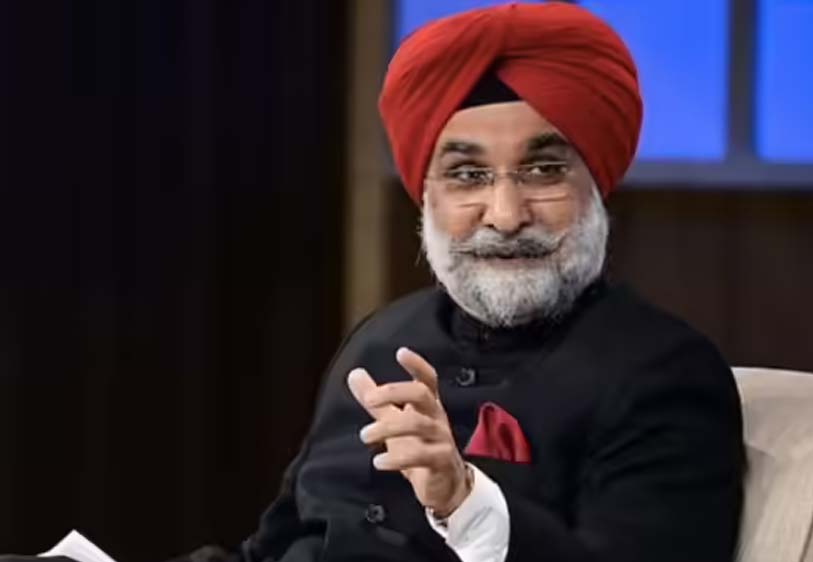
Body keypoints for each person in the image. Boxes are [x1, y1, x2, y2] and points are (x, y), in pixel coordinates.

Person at [17, 3, 745, 562]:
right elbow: (273, 551)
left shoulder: (663, 372)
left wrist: (468, 503)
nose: (504, 214)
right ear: (424, 196)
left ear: (597, 185)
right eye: (467, 175)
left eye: (543, 170)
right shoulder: (385, 338)